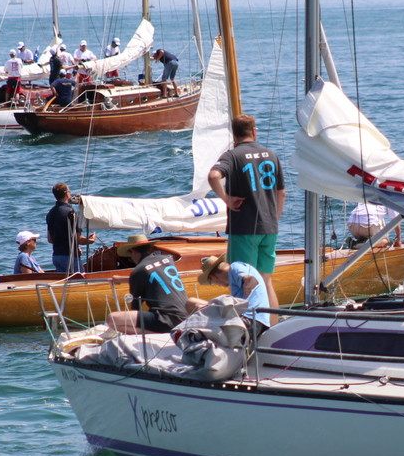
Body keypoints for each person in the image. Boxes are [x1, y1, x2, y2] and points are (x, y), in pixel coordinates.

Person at [208, 113, 285, 313]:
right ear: (253, 131)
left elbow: (214, 175)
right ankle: (272, 329)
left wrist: (226, 199)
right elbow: (281, 193)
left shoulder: (232, 156)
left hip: (244, 229)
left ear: (234, 135)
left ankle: (246, 331)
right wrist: (273, 220)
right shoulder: (271, 154)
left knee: (242, 281)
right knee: (266, 283)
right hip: (269, 228)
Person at [106, 235, 189, 334]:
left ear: (133, 251)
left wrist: (133, 279)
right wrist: (124, 279)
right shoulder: (167, 260)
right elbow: (155, 276)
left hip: (166, 320)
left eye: (130, 254)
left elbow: (136, 308)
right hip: (185, 317)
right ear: (148, 248)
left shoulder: (138, 271)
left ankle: (159, 334)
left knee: (112, 319)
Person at [195, 254, 272, 327]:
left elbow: (248, 278)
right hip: (258, 321)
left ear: (213, 277)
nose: (217, 285)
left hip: (249, 320)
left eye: (211, 282)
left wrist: (249, 280)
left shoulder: (235, 267)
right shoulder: (234, 275)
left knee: (193, 303)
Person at [45, 182, 96, 273]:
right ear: (66, 193)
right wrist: (90, 240)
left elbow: (50, 239)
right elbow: (78, 239)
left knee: (65, 284)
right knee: (80, 282)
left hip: (56, 256)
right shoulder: (70, 213)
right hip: (70, 257)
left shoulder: (51, 213)